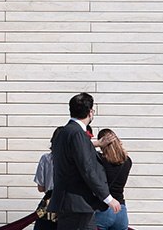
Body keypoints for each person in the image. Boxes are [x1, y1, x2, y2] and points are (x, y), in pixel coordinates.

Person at [48, 93, 120, 230]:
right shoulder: (78, 134)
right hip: (78, 203)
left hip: (68, 202)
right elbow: (87, 168)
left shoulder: (63, 133)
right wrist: (107, 197)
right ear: (90, 112)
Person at [93, 130, 132, 230]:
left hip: (103, 208)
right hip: (120, 209)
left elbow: (80, 148)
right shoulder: (127, 161)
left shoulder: (99, 160)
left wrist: (96, 144)